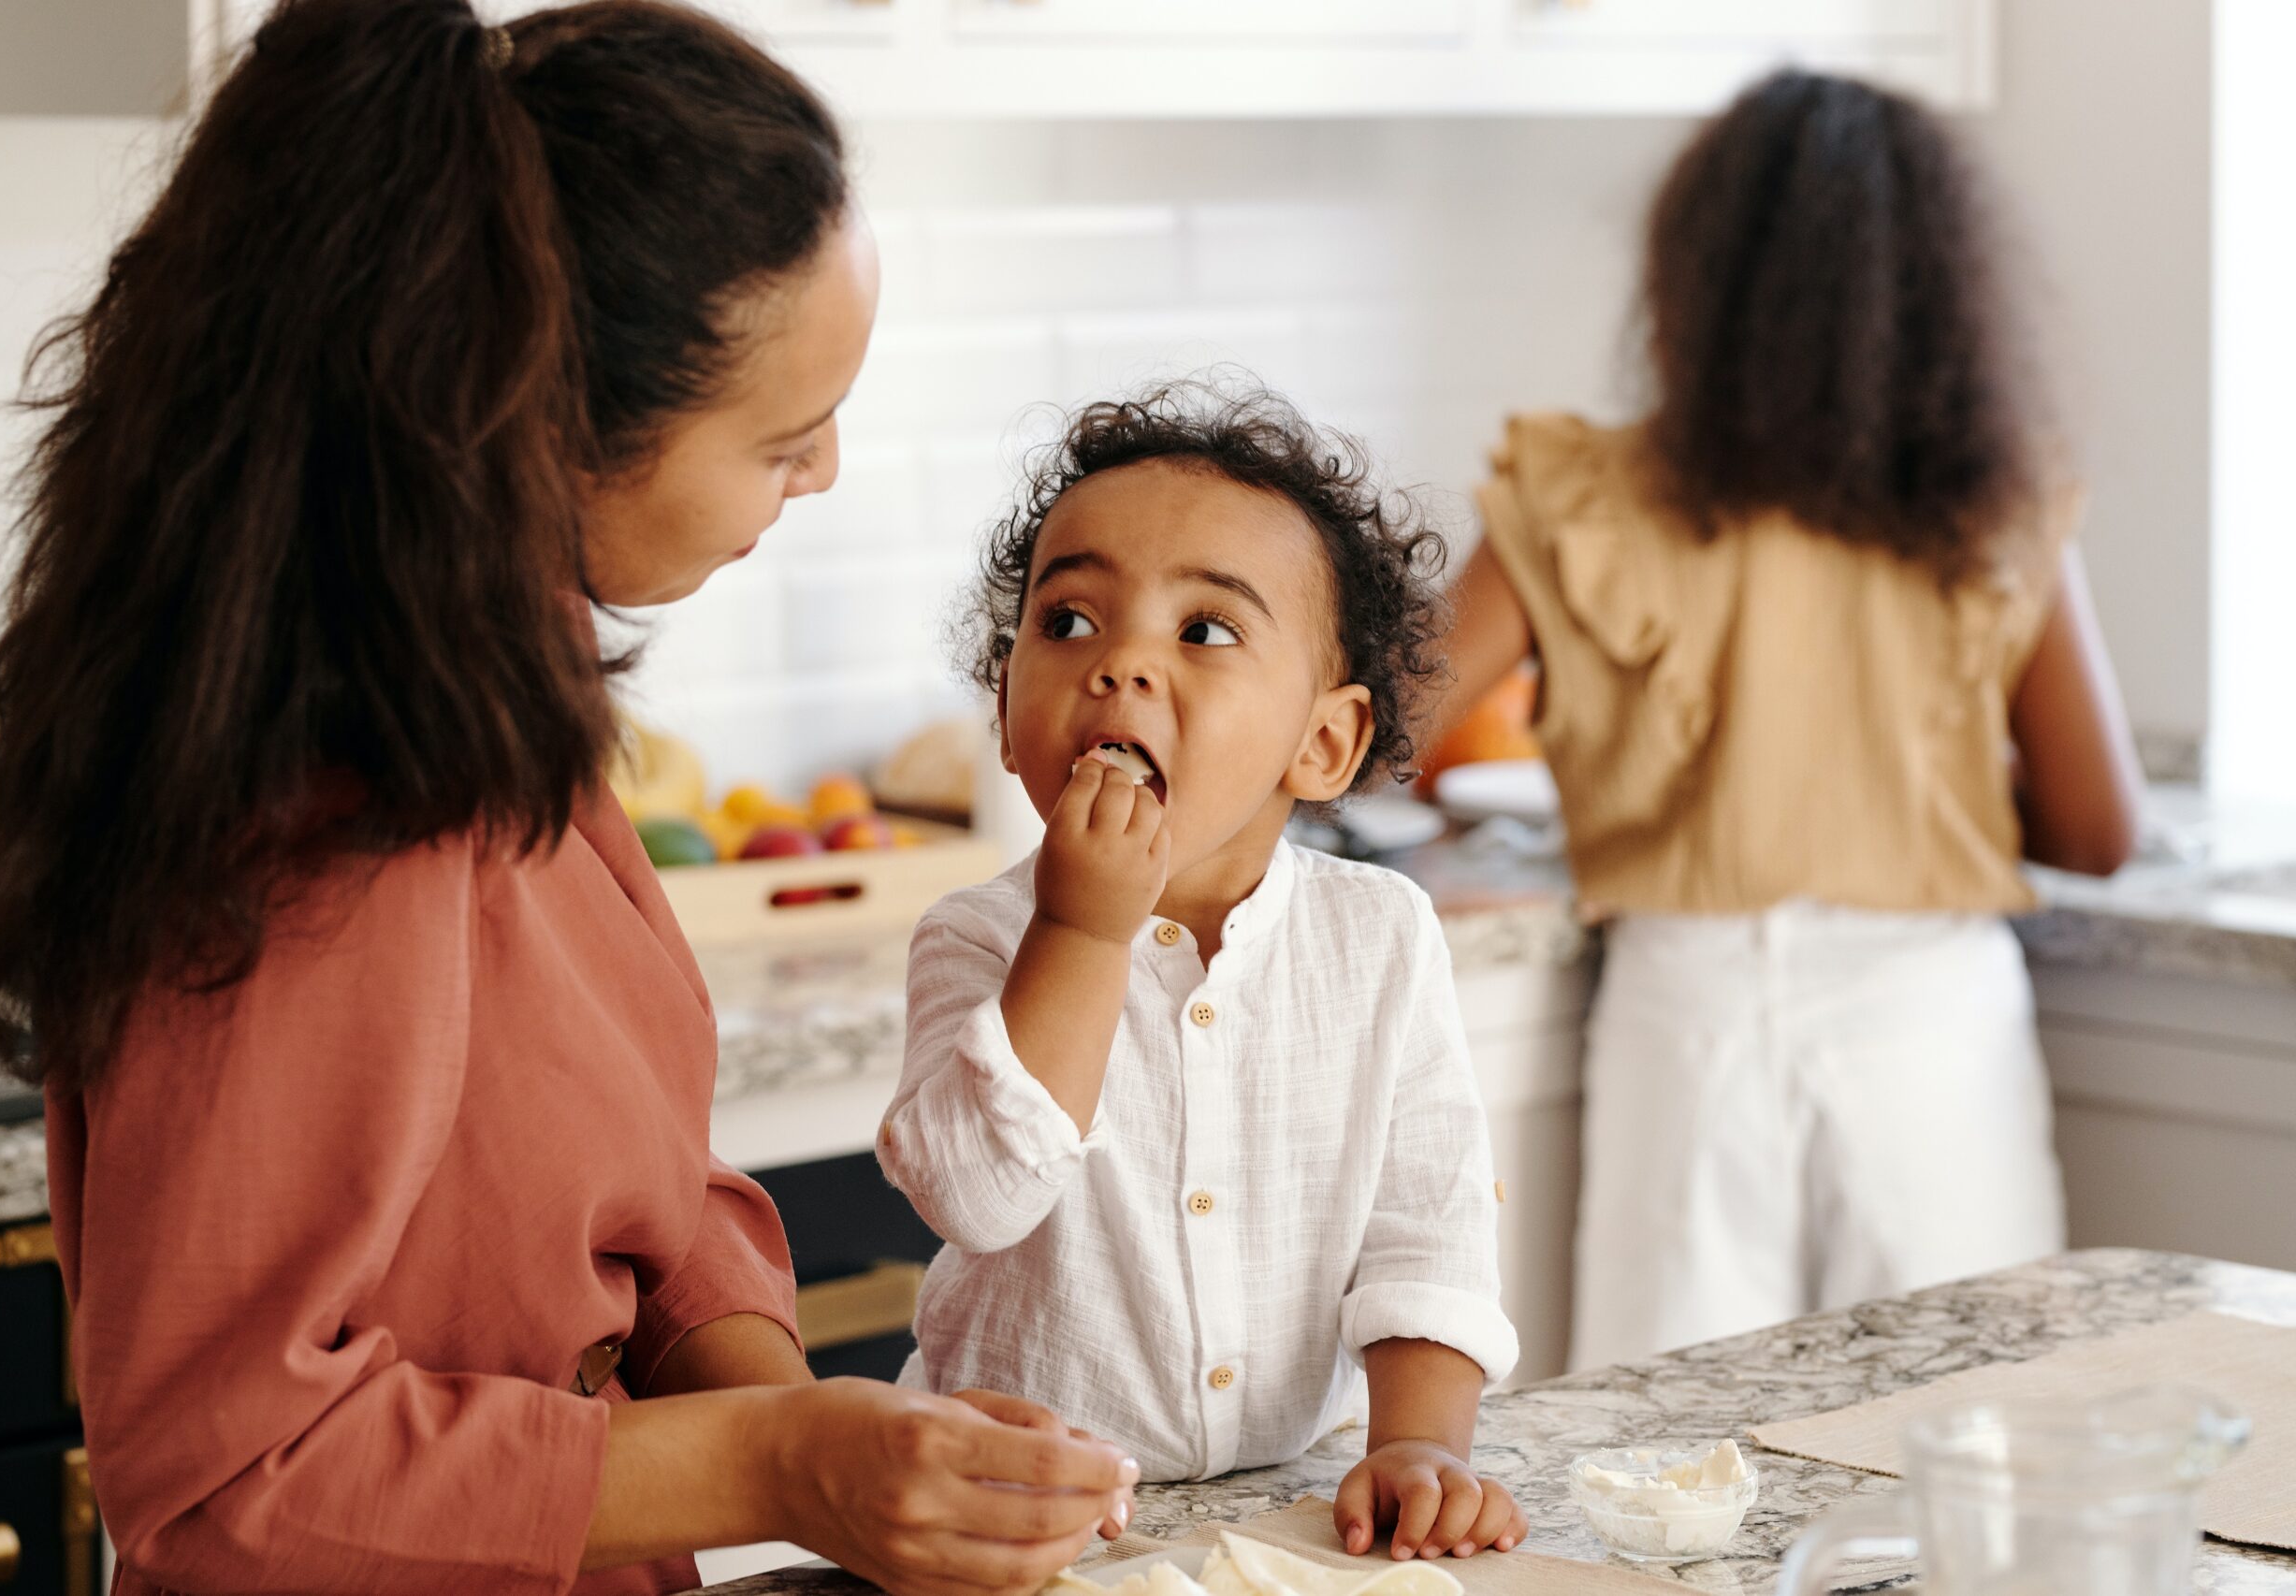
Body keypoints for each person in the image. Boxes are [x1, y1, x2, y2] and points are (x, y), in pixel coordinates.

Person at [0, 3, 1136, 1592]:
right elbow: (228, 1481)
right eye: (782, 436)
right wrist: (782, 1460)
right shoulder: (327, 820)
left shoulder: (488, 669)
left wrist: (853, 1451)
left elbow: (640, 1181)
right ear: (546, 428)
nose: (826, 469)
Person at [1429, 70, 2143, 1371]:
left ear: (1691, 281)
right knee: (1971, 1442)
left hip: (1686, 1016)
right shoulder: (1995, 496)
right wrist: (1920, 779)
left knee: (1664, 1475)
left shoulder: (1586, 495)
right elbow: (2097, 828)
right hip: (1932, 1018)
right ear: (1939, 287)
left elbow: (1376, 716)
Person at [879, 383, 1529, 1565]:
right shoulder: (976, 936)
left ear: (1322, 743)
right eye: (1067, 619)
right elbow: (975, 1196)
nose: (1118, 662)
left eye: (1205, 630)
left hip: (1292, 1517)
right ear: (1007, 704)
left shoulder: (1380, 936)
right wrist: (1080, 935)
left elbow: (1425, 1227)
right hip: (1023, 1518)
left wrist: (1421, 1445)